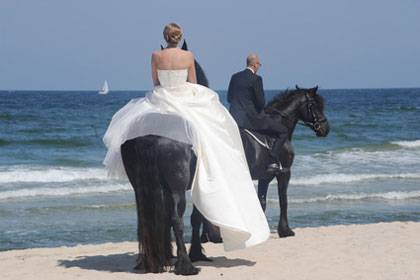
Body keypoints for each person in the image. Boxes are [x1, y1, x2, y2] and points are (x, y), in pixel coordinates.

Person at [103, 23, 270, 251]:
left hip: (162, 96)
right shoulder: (188, 55)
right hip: (184, 95)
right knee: (220, 128)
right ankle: (212, 173)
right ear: (180, 38)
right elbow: (192, 81)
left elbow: (156, 83)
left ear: (164, 37)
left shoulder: (155, 55)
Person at [227, 54, 289, 173]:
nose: (259, 67)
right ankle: (272, 160)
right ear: (255, 64)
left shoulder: (234, 77)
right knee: (283, 131)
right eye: (259, 65)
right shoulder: (256, 79)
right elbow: (260, 103)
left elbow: (230, 98)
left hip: (233, 119)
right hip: (251, 121)